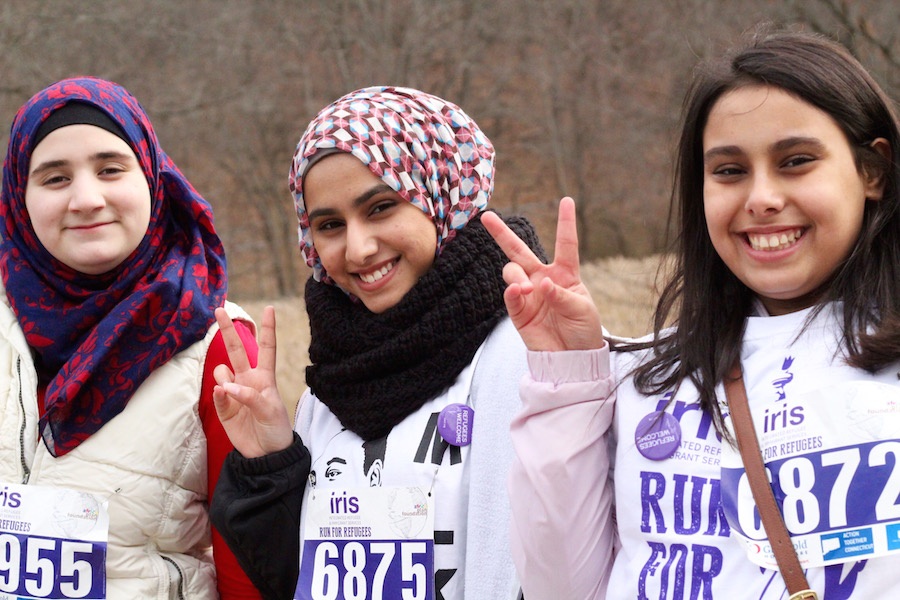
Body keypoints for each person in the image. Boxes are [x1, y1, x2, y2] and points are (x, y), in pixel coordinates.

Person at [481, 27, 900, 599]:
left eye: (796, 161)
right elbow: (562, 588)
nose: (761, 198)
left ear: (872, 172)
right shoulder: (648, 381)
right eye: (729, 171)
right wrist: (568, 377)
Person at [209, 86, 545, 600]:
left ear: (441, 196)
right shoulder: (330, 384)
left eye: (382, 207)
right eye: (329, 225)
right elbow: (297, 580)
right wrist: (272, 461)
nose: (358, 248)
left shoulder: (528, 352)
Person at [0, 76, 261, 598]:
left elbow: (243, 559)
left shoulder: (219, 343)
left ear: (153, 178)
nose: (86, 198)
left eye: (110, 169)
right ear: (18, 198)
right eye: (54, 178)